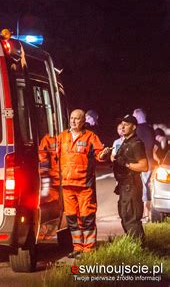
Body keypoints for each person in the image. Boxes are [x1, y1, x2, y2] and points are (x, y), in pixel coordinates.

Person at [57, 109, 111, 258]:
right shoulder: (62, 137)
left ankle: (89, 249)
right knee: (72, 219)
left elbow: (99, 155)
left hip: (84, 186)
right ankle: (77, 247)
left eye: (77, 119)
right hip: (67, 186)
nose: (73, 121)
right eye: (72, 118)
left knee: (87, 218)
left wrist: (104, 154)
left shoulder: (90, 137)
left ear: (83, 121)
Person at [112, 115, 148, 241]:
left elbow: (144, 166)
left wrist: (127, 164)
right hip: (124, 184)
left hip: (132, 185)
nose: (122, 126)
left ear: (134, 127)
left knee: (131, 215)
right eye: (122, 124)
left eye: (126, 124)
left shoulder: (136, 143)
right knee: (125, 214)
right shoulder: (125, 142)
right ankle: (133, 242)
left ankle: (138, 246)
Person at [132, 108, 154, 220]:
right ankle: (149, 212)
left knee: (142, 187)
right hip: (151, 162)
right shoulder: (150, 129)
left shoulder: (137, 130)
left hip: (140, 162)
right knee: (149, 186)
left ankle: (145, 213)